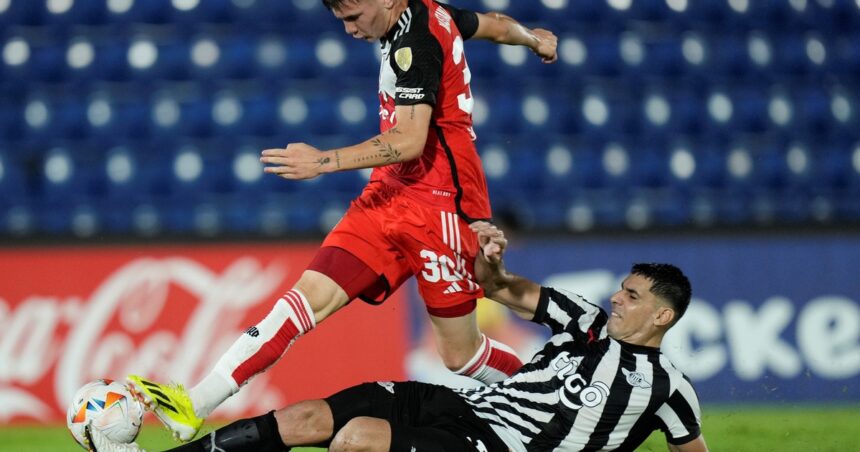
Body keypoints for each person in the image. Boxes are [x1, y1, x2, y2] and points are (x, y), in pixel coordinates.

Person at [125, 0, 560, 443]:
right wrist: (533, 38)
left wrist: (322, 161)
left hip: (441, 205)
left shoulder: (417, 39)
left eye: (354, 17)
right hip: (388, 194)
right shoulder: (429, 14)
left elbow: (410, 140)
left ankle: (553, 402)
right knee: (304, 299)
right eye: (342, 20)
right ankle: (194, 403)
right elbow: (493, 25)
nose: (350, 29)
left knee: (461, 356)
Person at [93, 222, 708, 452]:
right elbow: (505, 291)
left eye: (632, 296)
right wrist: (488, 263)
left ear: (662, 317)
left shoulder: (668, 388)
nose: (616, 300)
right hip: (466, 406)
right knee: (309, 417)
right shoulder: (586, 321)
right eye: (621, 289)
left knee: (358, 440)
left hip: (498, 448)